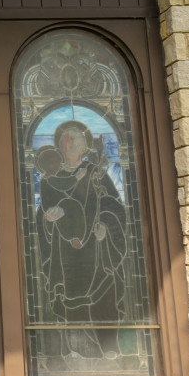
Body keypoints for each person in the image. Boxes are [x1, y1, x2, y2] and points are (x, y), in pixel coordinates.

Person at [36, 120, 127, 360]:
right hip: (65, 250)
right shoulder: (53, 177)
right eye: (65, 138)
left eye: (75, 138)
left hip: (97, 247)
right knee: (70, 296)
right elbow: (42, 214)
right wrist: (49, 219)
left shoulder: (96, 174)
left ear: (86, 146)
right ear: (59, 145)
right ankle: (76, 346)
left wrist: (106, 228)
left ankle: (109, 346)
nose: (70, 143)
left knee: (104, 292)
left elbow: (114, 207)